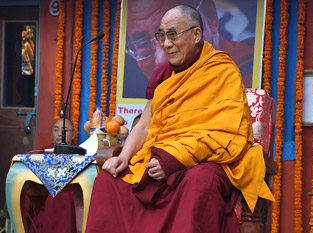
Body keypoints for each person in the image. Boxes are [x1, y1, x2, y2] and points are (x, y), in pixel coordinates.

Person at [86, 5, 273, 233]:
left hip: (202, 161)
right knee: (109, 181)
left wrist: (176, 159)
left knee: (201, 182)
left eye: (173, 35)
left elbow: (227, 134)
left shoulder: (222, 71)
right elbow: (144, 124)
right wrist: (123, 157)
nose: (166, 44)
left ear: (196, 35)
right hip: (160, 159)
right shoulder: (164, 77)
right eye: (162, 36)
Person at [123, 0, 255, 98]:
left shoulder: (231, 69)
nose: (162, 56)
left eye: (173, 34)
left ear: (210, 17)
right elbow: (145, 125)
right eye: (143, 44)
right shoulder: (161, 77)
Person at [24, 118, 77, 233]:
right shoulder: (42, 154)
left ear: (73, 134)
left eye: (65, 131)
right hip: (45, 198)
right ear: (51, 133)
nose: (59, 134)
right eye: (55, 130)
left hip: (69, 201)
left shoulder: (80, 157)